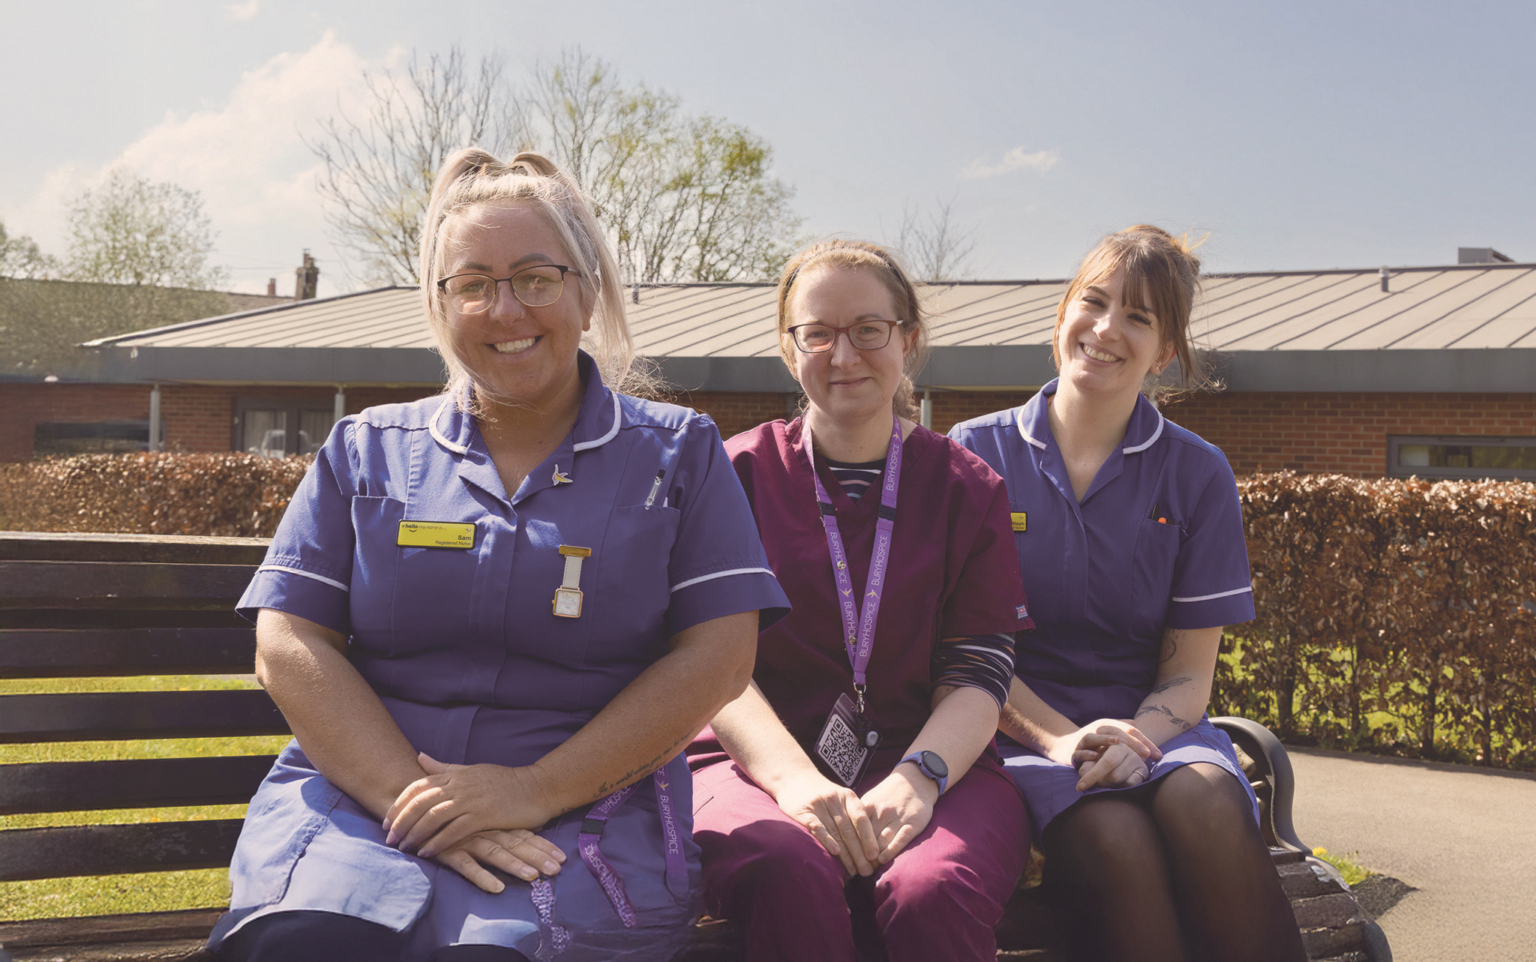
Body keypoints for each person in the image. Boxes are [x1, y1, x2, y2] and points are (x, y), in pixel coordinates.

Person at [208, 149, 789, 962]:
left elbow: (721, 657)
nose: (505, 308)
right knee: (299, 944)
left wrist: (529, 792)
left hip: (582, 816)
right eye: (473, 283)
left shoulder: (679, 455)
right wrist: (419, 805)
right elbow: (289, 642)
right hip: (366, 806)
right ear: (440, 306)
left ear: (586, 293)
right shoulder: (364, 450)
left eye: (536, 278)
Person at [949, 225, 1308, 962]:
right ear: (1061, 315)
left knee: (1205, 801)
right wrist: (1063, 740)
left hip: (1163, 730)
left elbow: (1187, 673)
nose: (1108, 329)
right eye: (1096, 302)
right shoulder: (972, 454)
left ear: (1165, 351)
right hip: (1020, 736)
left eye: (1139, 318)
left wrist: (1137, 740)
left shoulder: (1198, 473)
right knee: (1114, 837)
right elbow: (963, 650)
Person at [687, 240, 1035, 962]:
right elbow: (710, 666)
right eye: (817, 333)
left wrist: (921, 778)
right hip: (750, 763)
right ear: (789, 351)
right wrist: (794, 785)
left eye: (868, 330)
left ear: (908, 339)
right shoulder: (731, 474)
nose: (843, 355)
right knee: (789, 866)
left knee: (932, 887)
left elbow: (978, 674)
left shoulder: (969, 488)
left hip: (937, 761)